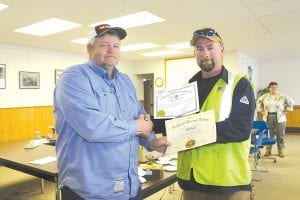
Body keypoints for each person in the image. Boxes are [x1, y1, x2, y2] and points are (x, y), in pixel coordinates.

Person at [53, 24, 170, 200]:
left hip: (129, 186)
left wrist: (151, 141)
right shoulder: (74, 78)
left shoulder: (125, 80)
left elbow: (140, 117)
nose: (111, 50)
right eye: (104, 45)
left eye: (116, 46)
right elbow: (93, 127)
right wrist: (138, 125)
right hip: (90, 191)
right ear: (89, 49)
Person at [177, 28, 255, 200]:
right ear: (195, 53)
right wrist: (149, 122)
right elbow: (175, 123)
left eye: (210, 47)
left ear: (221, 49)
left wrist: (191, 129)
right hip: (191, 181)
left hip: (226, 183)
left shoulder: (239, 84)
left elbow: (240, 128)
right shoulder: (188, 87)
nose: (205, 53)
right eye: (199, 49)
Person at [256, 81, 294, 158]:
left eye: (275, 87)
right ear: (269, 88)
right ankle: (268, 150)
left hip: (280, 118)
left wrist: (286, 110)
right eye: (272, 87)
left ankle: (280, 151)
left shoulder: (282, 96)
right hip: (268, 117)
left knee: (280, 135)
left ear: (277, 88)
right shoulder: (265, 96)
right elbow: (258, 102)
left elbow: (291, 102)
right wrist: (261, 110)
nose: (274, 89)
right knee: (269, 134)